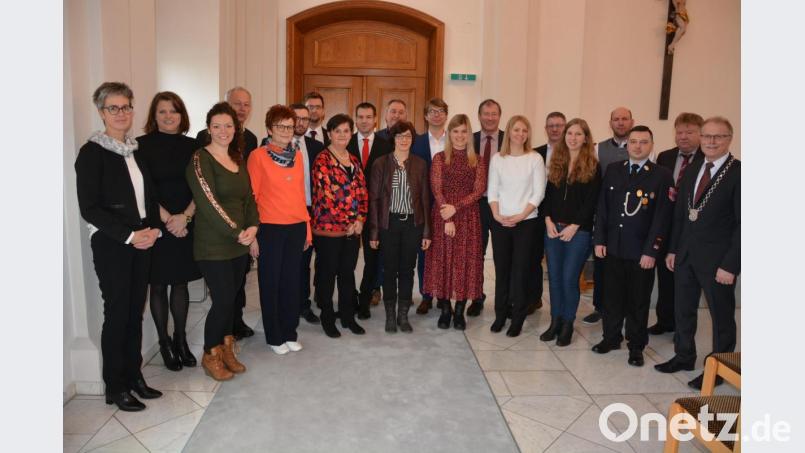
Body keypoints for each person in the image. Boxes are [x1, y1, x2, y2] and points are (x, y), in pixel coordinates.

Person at [75, 82, 163, 411]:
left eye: (126, 106)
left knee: (135, 313)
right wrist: (129, 236)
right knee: (117, 314)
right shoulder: (92, 153)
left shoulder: (134, 149)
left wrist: (153, 230)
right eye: (113, 108)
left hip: (143, 240)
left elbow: (148, 198)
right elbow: (90, 208)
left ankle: (134, 376)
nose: (121, 113)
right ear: (102, 112)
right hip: (113, 244)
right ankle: (115, 385)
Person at [655, 117, 740, 390]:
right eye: (707, 136)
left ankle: (719, 368)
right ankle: (684, 355)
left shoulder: (739, 173)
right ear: (700, 139)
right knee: (683, 309)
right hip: (686, 255)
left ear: (729, 139)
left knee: (721, 317)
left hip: (718, 261)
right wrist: (673, 249)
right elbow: (681, 214)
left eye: (718, 136)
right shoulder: (693, 169)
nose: (711, 141)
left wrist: (731, 265)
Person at [186, 102, 258, 381]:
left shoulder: (237, 158)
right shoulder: (200, 159)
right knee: (223, 299)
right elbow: (208, 202)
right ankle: (210, 353)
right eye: (217, 126)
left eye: (228, 125)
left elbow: (248, 198)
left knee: (233, 299)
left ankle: (227, 348)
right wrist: (236, 231)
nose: (223, 131)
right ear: (208, 128)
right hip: (214, 244)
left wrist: (252, 226)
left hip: (239, 242)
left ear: (236, 128)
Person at [592, 126, 674, 367]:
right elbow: (603, 207)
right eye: (634, 141)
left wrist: (652, 251)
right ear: (627, 145)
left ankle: (636, 346)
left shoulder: (661, 175)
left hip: (641, 252)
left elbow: (662, 217)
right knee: (611, 298)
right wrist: (599, 239)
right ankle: (611, 337)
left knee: (638, 301)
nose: (638, 146)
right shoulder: (614, 170)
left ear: (651, 145)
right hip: (613, 247)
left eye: (643, 142)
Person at [137, 91, 202, 372]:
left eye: (173, 111)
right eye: (162, 111)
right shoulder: (140, 146)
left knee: (181, 283)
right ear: (154, 115)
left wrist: (185, 217)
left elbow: (201, 186)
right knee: (158, 284)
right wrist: (169, 220)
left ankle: (180, 339)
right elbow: (143, 190)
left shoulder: (194, 146)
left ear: (181, 115)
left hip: (186, 222)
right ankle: (164, 343)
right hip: (158, 224)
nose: (168, 116)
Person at [248, 105, 312, 355]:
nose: (286, 131)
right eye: (280, 126)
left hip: (296, 227)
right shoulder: (257, 156)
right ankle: (274, 336)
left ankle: (289, 332)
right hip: (269, 229)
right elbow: (251, 197)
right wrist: (253, 234)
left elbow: (300, 195)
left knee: (291, 283)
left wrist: (307, 229)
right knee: (271, 283)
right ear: (269, 129)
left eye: (289, 126)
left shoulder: (297, 156)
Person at [540, 118, 601, 346]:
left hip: (579, 232)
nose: (573, 138)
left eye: (578, 134)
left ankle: (567, 324)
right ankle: (555, 322)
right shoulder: (557, 162)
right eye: (570, 133)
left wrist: (575, 226)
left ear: (585, 138)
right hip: (553, 229)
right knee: (555, 279)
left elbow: (591, 202)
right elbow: (547, 195)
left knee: (569, 278)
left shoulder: (593, 166)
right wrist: (547, 219)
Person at [368, 120, 432, 333]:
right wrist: (374, 232)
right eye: (399, 136)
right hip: (389, 224)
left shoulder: (420, 164)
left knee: (407, 269)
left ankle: (403, 315)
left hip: (413, 224)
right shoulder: (381, 163)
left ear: (412, 139)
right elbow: (374, 200)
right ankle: (389, 316)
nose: (404, 140)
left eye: (408, 136)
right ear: (393, 139)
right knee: (389, 270)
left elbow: (425, 200)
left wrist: (426, 231)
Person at [425, 114, 486, 330]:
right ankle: (445, 310)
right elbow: (436, 188)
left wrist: (456, 208)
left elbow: (478, 190)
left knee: (465, 262)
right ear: (449, 134)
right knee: (442, 261)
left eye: (464, 131)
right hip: (443, 215)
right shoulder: (440, 158)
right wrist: (448, 216)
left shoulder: (478, 160)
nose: (460, 135)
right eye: (455, 131)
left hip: (469, 217)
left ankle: (459, 311)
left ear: (469, 134)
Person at [487, 115, 546, 337]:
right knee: (502, 270)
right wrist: (497, 215)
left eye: (524, 130)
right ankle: (500, 314)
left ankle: (517, 318)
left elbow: (538, 193)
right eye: (516, 130)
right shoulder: (497, 159)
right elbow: (492, 191)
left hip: (526, 223)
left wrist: (520, 216)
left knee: (520, 271)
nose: (520, 134)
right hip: (501, 221)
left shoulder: (535, 159)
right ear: (509, 132)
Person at [312, 113, 369, 337]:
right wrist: (350, 222)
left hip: (352, 230)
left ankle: (347, 317)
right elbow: (327, 197)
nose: (342, 135)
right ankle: (327, 318)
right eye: (338, 131)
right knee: (327, 275)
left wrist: (360, 220)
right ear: (329, 134)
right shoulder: (322, 160)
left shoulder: (353, 159)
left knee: (347, 274)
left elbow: (362, 192)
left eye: (346, 131)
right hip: (328, 230)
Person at [650, 112, 704, 335]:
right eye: (679, 132)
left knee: (686, 282)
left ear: (700, 134)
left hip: (692, 229)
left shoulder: (707, 159)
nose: (683, 136)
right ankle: (665, 321)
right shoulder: (665, 157)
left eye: (689, 132)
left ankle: (683, 329)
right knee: (665, 277)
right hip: (666, 226)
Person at [586, 107, 635, 325]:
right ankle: (600, 307)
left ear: (632, 122)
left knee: (626, 266)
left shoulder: (641, 146)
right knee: (602, 265)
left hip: (632, 217)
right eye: (616, 119)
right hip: (605, 215)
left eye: (624, 119)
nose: (620, 123)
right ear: (611, 123)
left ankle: (624, 309)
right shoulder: (598, 149)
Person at [348, 102, 393, 319]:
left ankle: (365, 298)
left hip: (376, 213)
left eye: (368, 117)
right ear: (355, 119)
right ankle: (349, 298)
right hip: (348, 213)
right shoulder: (345, 142)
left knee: (372, 259)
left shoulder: (386, 145)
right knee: (347, 260)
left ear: (375, 120)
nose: (364, 121)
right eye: (360, 117)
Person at [412, 97, 449, 315]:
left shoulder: (454, 140)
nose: (437, 115)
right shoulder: (415, 142)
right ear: (425, 116)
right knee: (424, 251)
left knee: (445, 251)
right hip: (422, 204)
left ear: (446, 115)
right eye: (432, 111)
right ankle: (426, 295)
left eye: (441, 111)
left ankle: (443, 296)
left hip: (448, 205)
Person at [289, 103, 325, 324]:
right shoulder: (272, 144)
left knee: (305, 260)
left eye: (304, 118)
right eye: (296, 118)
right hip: (285, 211)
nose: (301, 122)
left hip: (311, 210)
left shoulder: (316, 146)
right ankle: (287, 303)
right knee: (288, 261)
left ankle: (304, 304)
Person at [528, 112, 567, 316]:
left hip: (561, 215)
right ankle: (534, 299)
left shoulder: (573, 153)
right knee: (534, 257)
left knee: (558, 264)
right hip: (536, 212)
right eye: (551, 125)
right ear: (545, 129)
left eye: (559, 125)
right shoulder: (535, 153)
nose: (555, 129)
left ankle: (561, 308)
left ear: (565, 128)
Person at [467, 99, 503, 318]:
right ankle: (476, 298)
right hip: (476, 205)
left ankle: (504, 300)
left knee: (502, 255)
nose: (490, 118)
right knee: (475, 254)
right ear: (479, 116)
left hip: (502, 205)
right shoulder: (469, 140)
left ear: (499, 116)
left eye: (494, 114)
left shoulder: (510, 140)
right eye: (486, 114)